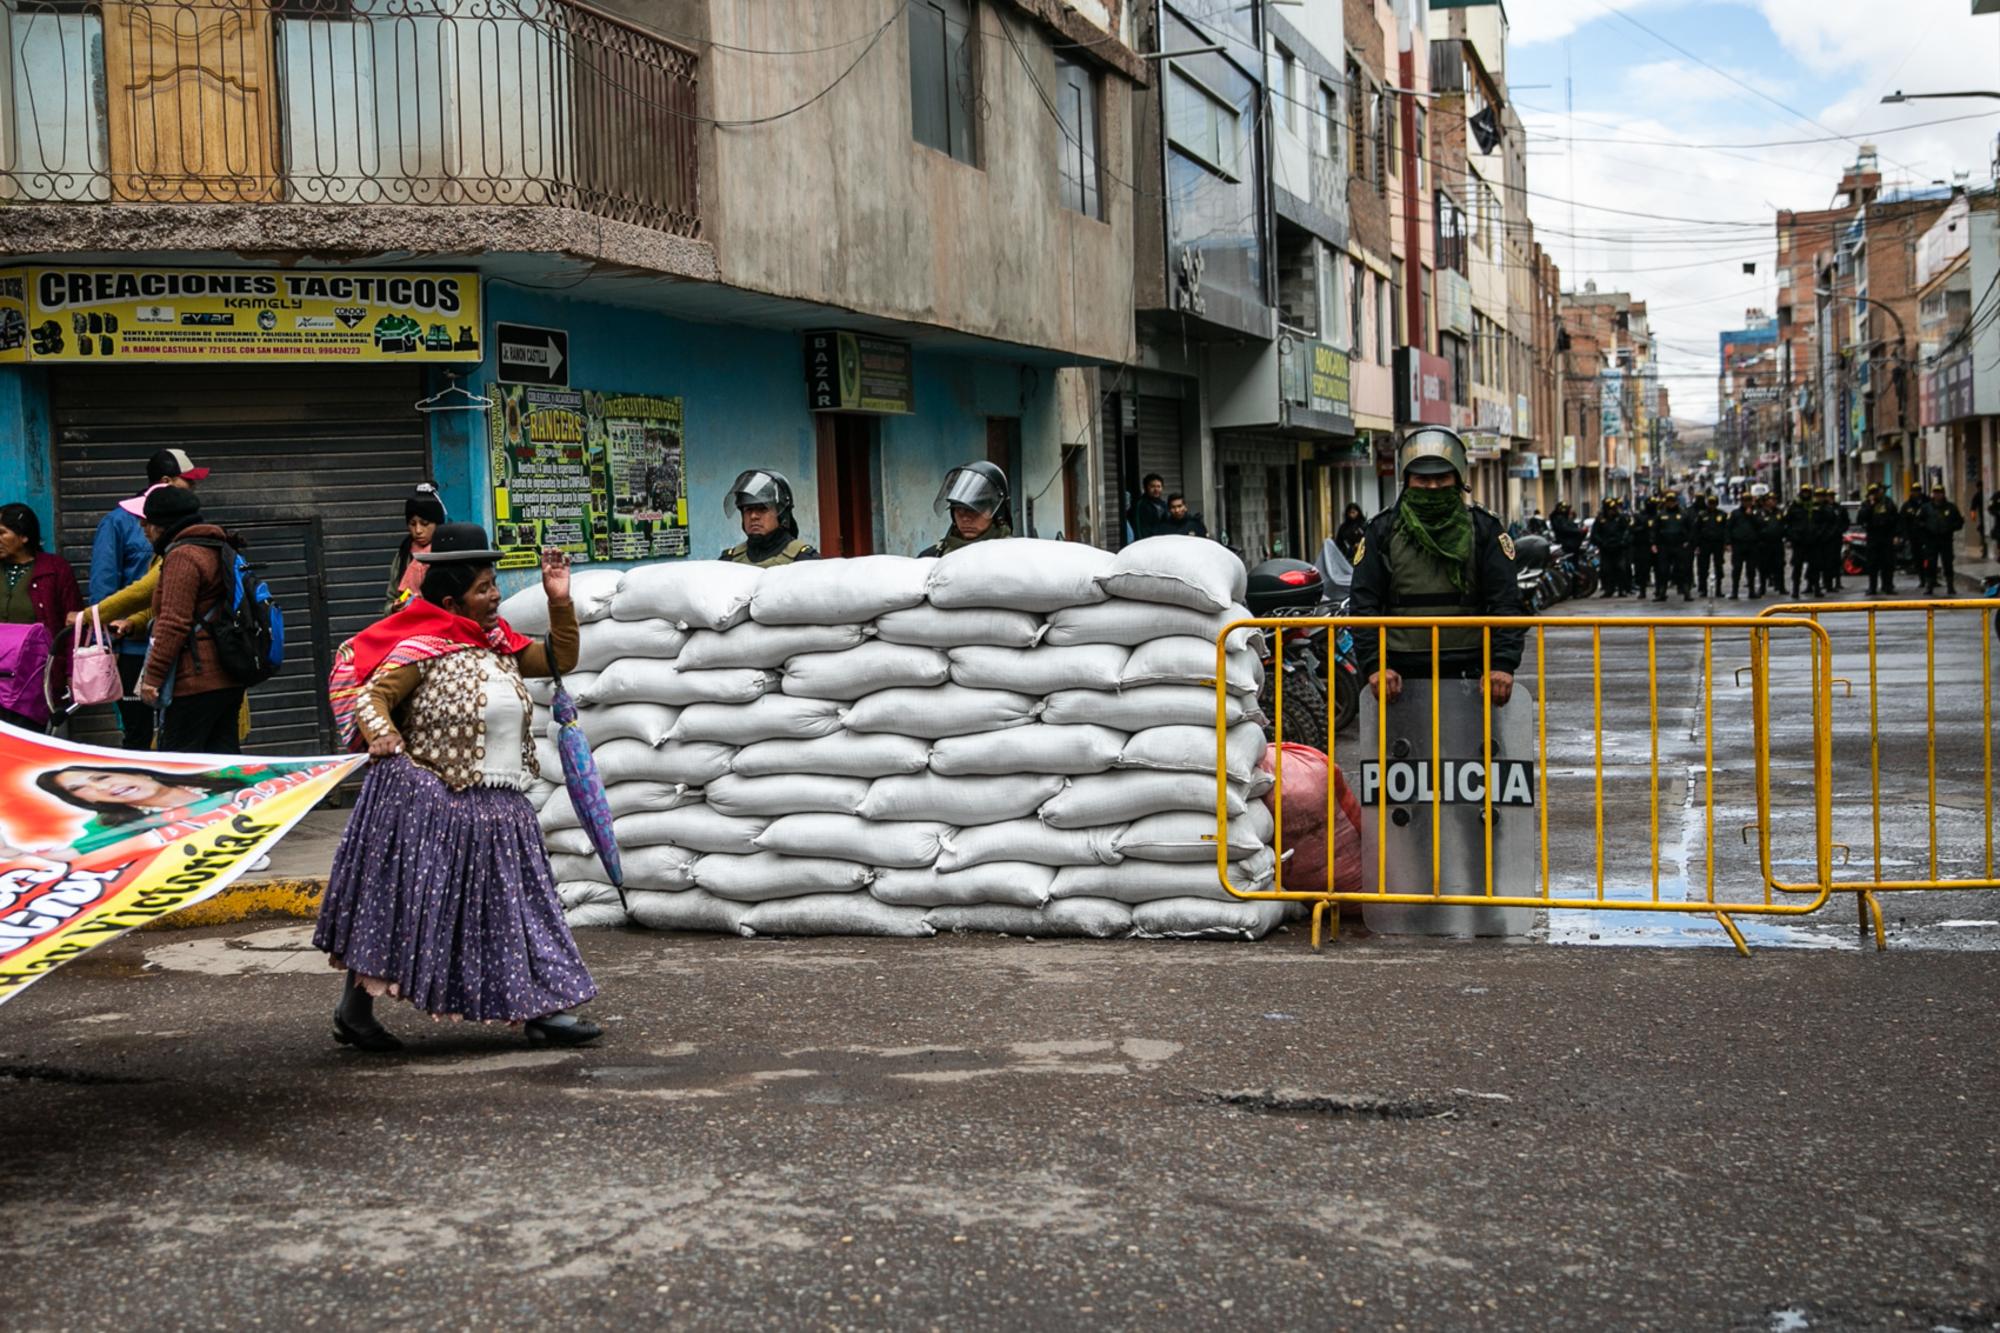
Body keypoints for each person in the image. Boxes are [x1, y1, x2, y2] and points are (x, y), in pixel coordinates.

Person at [314, 527, 598, 1052]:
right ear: (451, 602)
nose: (495, 596)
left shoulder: (500, 647)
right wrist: (384, 737)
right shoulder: (421, 650)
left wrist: (560, 600)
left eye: (494, 586)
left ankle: (544, 1010)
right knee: (399, 908)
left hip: (502, 810)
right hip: (435, 808)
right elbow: (370, 702)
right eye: (484, 588)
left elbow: (560, 659)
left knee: (524, 913)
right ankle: (354, 1012)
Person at [1348, 426, 1523, 708]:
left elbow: (1506, 601)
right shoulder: (1382, 530)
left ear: (1458, 479)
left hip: (1473, 673)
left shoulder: (1484, 528)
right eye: (1422, 479)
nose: (1432, 487)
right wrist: (1374, 666)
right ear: (1407, 480)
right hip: (1399, 676)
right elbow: (1363, 603)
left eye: (1441, 478)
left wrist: (1503, 664)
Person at [91, 451, 202, 747]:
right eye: (188, 482)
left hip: (178, 645)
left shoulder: (191, 529)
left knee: (179, 729)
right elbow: (105, 584)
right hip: (133, 647)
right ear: (166, 482)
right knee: (138, 731)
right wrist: (107, 642)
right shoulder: (117, 523)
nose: (193, 489)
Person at [135, 486, 245, 754]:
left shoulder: (183, 556)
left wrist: (153, 677)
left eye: (147, 524)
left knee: (179, 767)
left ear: (161, 525)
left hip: (195, 680)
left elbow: (173, 623)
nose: (144, 531)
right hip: (228, 676)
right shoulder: (218, 547)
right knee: (222, 766)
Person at [0, 503, 80, 729]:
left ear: (24, 536)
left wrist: (71, 672)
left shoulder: (55, 569)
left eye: (2, 533)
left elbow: (73, 624)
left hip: (36, 676)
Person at [720, 469, 819, 566]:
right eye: (748, 509)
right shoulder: (729, 560)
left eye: (763, 509)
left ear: (781, 514)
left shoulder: (805, 560)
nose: (753, 516)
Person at [919, 461, 1012, 557]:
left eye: (975, 510)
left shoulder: (1013, 554)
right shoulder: (934, 556)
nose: (965, 518)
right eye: (959, 510)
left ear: (997, 513)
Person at [384, 483, 448, 612]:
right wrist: (394, 608)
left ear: (437, 524)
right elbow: (391, 600)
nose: (418, 530)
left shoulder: (447, 553)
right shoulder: (404, 555)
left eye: (425, 524)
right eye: (412, 524)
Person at [1651, 490, 1692, 602]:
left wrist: (1688, 541)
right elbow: (1655, 530)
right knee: (1663, 571)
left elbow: (1690, 529)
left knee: (1682, 570)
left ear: (1676, 502)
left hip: (1679, 546)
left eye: (1672, 501)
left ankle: (1686, 592)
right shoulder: (1661, 515)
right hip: (1664, 546)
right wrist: (1654, 543)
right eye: (1668, 501)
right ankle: (1662, 593)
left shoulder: (1683, 514)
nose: (1670, 503)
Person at [1859, 483, 1900, 595]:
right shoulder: (1866, 504)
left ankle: (1888, 586)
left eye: (1876, 492)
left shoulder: (1888, 503)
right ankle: (1872, 587)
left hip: (1886, 537)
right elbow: (1861, 518)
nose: (1875, 495)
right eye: (1872, 493)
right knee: (1872, 564)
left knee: (1888, 563)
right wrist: (1870, 505)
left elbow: (1896, 519)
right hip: (1873, 537)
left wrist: (1896, 535)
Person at [1899, 483, 1935, 595]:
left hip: (1927, 536)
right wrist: (1905, 536)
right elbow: (1902, 521)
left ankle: (1931, 580)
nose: (1916, 492)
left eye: (1918, 490)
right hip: (1913, 537)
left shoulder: (1928, 503)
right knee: (1918, 559)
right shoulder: (1907, 506)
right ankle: (1922, 579)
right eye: (1914, 490)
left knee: (1929, 559)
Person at [1726, 493, 1764, 599]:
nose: (1747, 502)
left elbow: (1760, 526)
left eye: (1749, 500)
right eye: (1745, 500)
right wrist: (1728, 543)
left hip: (1752, 545)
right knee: (1737, 569)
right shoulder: (1735, 513)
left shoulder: (1756, 513)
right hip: (1738, 545)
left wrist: (1751, 516)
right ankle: (1735, 592)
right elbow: (1728, 528)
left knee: (1751, 569)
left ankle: (1751, 591)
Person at [1928, 484, 1964, 595]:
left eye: (1939, 493)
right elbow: (1919, 522)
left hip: (1946, 540)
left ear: (1943, 494)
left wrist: (1950, 528)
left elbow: (1959, 522)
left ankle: (1950, 586)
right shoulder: (1927, 508)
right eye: (1935, 493)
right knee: (1931, 563)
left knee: (1947, 563)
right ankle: (1930, 585)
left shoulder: (1951, 507)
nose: (1937, 495)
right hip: (1931, 540)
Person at [1783, 489, 1817, 598]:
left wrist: (1817, 534)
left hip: (1812, 542)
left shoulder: (1815, 506)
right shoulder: (1794, 507)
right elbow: (1787, 523)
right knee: (1797, 567)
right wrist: (1792, 537)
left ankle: (1815, 588)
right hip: (1799, 543)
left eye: (1808, 492)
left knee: (1814, 567)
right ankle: (1795, 590)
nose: (1806, 494)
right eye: (1804, 493)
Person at [1594, 497, 1631, 596]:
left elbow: (1627, 531)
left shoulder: (1621, 518)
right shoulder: (1600, 519)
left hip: (1618, 548)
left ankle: (1622, 589)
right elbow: (1595, 533)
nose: (1612, 512)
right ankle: (1608, 590)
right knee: (1606, 570)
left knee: (1620, 568)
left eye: (1613, 509)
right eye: (1609, 510)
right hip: (1606, 548)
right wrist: (1601, 542)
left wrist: (1623, 541)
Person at [1694, 493, 1728, 597]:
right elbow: (1696, 530)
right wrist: (1696, 545)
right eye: (1710, 503)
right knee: (1703, 567)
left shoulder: (1722, 514)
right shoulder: (1702, 515)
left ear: (1716, 504)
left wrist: (1726, 543)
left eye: (1714, 503)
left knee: (1718, 567)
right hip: (1705, 543)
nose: (1712, 505)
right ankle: (1703, 589)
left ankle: (1719, 589)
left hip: (1718, 544)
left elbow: (1726, 530)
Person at [1814, 487, 1847, 592]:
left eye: (1832, 496)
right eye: (1828, 496)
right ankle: (1819, 584)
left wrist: (1838, 531)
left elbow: (1839, 523)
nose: (1830, 498)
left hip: (1833, 539)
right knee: (1819, 563)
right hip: (1819, 540)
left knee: (1834, 561)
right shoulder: (1815, 508)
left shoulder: (1837, 508)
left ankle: (1834, 582)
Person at [1130, 474, 1170, 541]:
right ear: (1146, 488)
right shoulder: (1141, 505)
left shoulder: (1164, 504)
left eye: (1158, 486)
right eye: (1152, 486)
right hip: (1148, 542)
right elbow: (1139, 529)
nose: (1156, 489)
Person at [1631, 495, 1656, 600]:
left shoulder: (1659, 515)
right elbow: (1632, 529)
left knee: (1660, 570)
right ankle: (1642, 591)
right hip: (1643, 546)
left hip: (1657, 546)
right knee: (1642, 571)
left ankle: (1660, 590)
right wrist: (1642, 528)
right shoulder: (1640, 516)